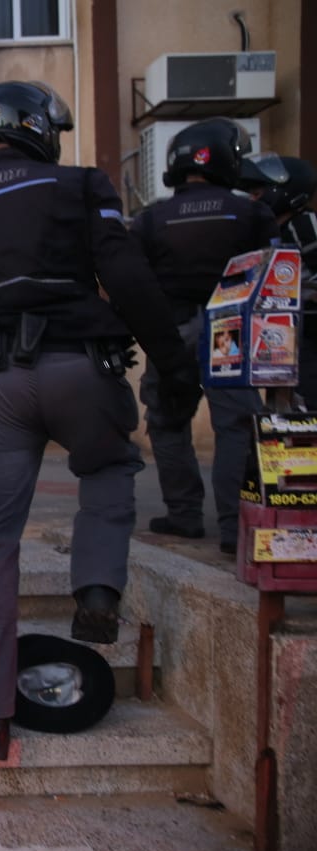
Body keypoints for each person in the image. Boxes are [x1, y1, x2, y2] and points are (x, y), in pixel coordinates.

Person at [0, 80, 200, 761]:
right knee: (109, 467)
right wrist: (174, 365)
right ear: (39, 131)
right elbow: (129, 278)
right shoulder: (82, 184)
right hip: (82, 370)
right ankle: (98, 587)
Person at [130, 117, 279, 555]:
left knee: (166, 421)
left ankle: (184, 514)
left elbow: (134, 280)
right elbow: (273, 275)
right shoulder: (252, 213)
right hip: (232, 328)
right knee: (235, 426)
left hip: (171, 332)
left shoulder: (151, 218)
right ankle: (235, 527)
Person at [251, 156, 317, 406]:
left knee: (308, 398)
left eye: (258, 193)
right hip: (278, 335)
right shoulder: (268, 231)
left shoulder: (305, 224)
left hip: (309, 330)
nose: (252, 199)